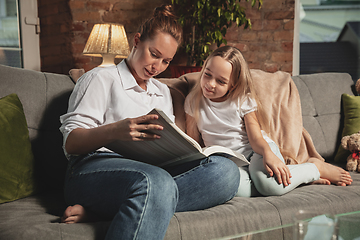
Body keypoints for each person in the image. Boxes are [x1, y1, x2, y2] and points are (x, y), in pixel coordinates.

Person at [59, 5, 240, 240]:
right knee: (156, 182)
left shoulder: (163, 92)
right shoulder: (99, 78)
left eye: (166, 61)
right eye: (154, 54)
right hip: (91, 170)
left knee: (225, 173)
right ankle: (142, 198)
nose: (157, 67)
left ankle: (110, 211)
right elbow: (71, 144)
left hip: (150, 170)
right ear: (136, 41)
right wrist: (116, 130)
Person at [184, 46, 353, 198]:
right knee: (234, 189)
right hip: (231, 165)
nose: (210, 84)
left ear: (233, 85)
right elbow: (194, 144)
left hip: (258, 151)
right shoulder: (193, 101)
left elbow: (256, 139)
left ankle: (315, 168)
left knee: (266, 184)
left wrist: (268, 154)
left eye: (221, 81)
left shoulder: (242, 100)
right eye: (207, 75)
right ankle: (296, 179)